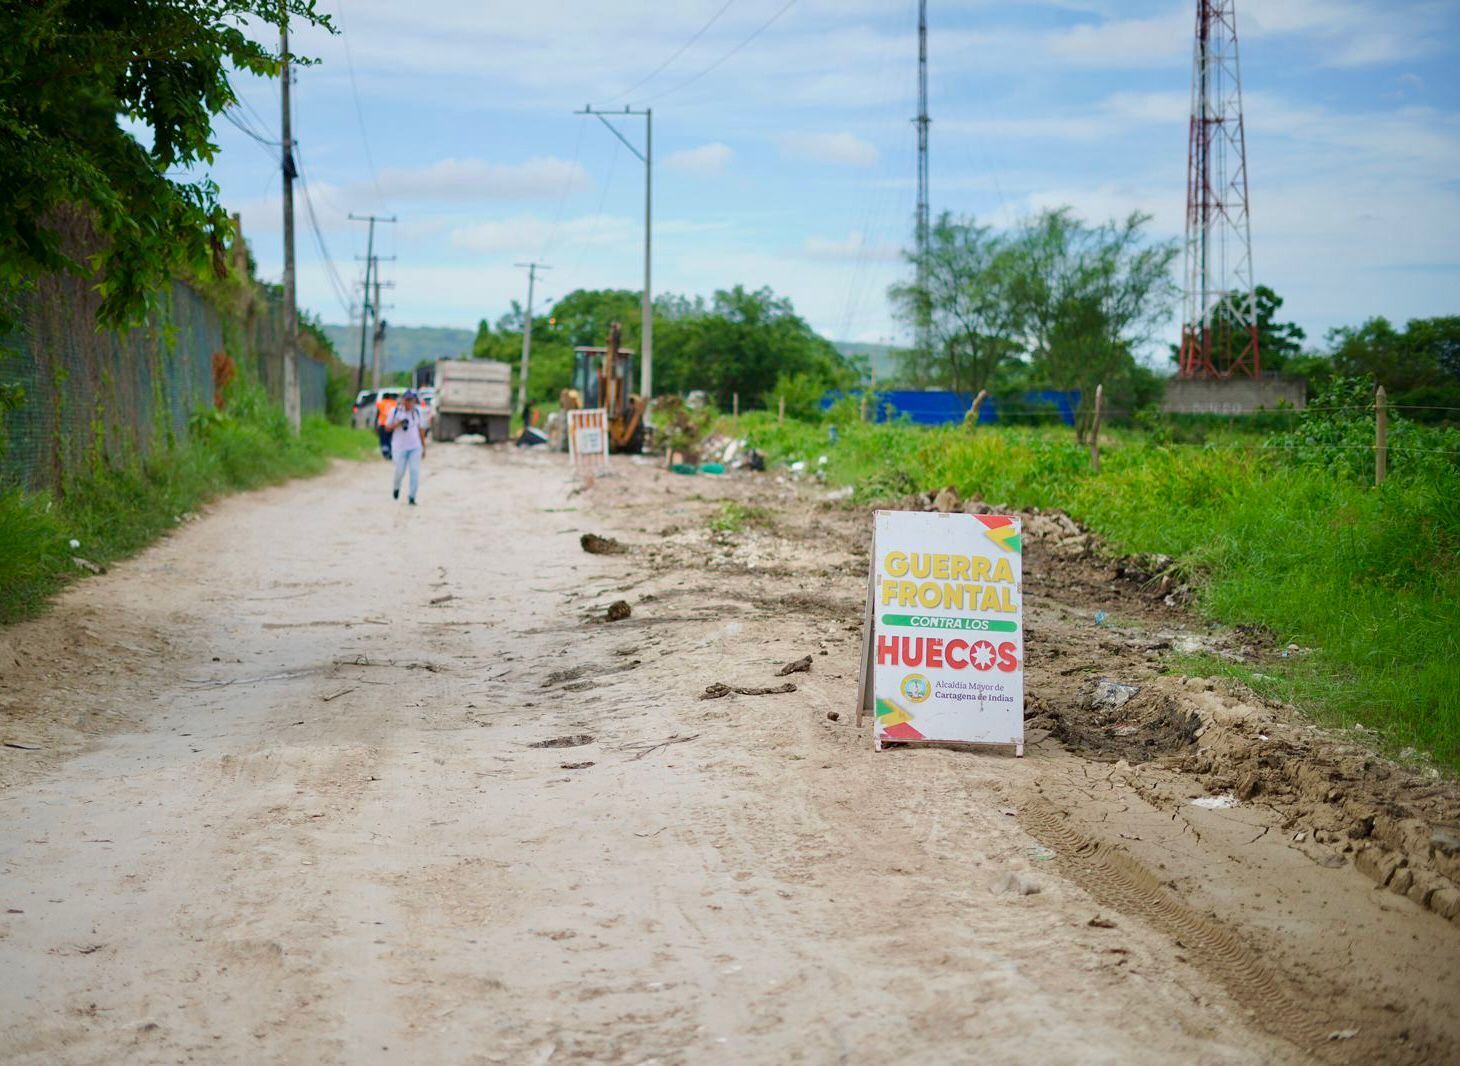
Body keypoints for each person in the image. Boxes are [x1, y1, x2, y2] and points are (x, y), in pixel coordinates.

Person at [388, 390, 426, 505]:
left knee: (414, 471)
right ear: (403, 400)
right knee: (399, 471)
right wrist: (398, 423)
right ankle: (396, 487)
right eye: (408, 400)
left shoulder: (417, 412)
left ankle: (412, 497)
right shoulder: (395, 412)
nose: (410, 403)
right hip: (399, 447)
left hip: (415, 446)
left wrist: (424, 447)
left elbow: (421, 430)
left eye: (412, 400)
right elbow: (387, 428)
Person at [375, 391, 398, 459]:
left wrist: (376, 424)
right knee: (391, 439)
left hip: (383, 424)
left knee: (383, 439)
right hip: (392, 425)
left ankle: (385, 453)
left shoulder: (380, 403)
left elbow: (378, 414)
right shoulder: (394, 403)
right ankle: (391, 452)